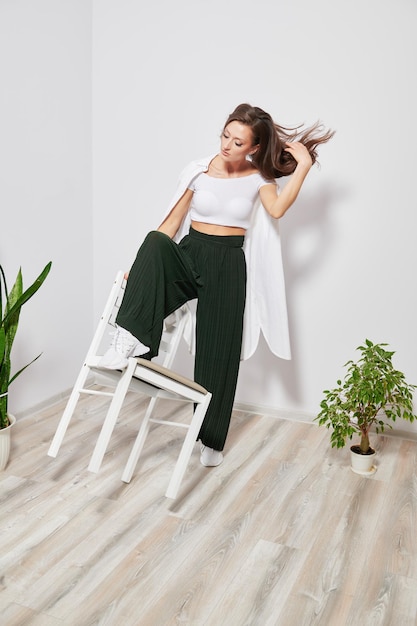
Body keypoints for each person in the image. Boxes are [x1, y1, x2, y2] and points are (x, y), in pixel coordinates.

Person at [100, 103, 334, 467]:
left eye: (238, 142)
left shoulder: (260, 180)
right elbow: (171, 224)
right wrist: (142, 267)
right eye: (225, 135)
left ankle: (210, 439)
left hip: (227, 263)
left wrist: (302, 166)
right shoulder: (199, 171)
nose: (227, 145)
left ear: (254, 147)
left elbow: (276, 211)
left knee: (219, 351)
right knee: (153, 240)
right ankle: (129, 341)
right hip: (191, 250)